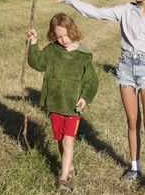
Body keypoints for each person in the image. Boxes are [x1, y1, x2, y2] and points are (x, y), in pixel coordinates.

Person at [50, 0, 145, 191]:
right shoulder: (126, 11)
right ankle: (134, 167)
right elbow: (95, 12)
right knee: (132, 122)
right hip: (125, 69)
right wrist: (69, 0)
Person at [27, 13, 99, 192]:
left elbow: (92, 81)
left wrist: (84, 98)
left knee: (68, 141)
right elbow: (37, 63)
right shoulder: (52, 50)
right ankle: (68, 165)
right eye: (58, 36)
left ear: (72, 30)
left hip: (73, 107)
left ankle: (63, 179)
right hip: (55, 103)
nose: (63, 39)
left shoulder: (83, 54)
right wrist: (34, 43)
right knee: (60, 139)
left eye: (65, 35)